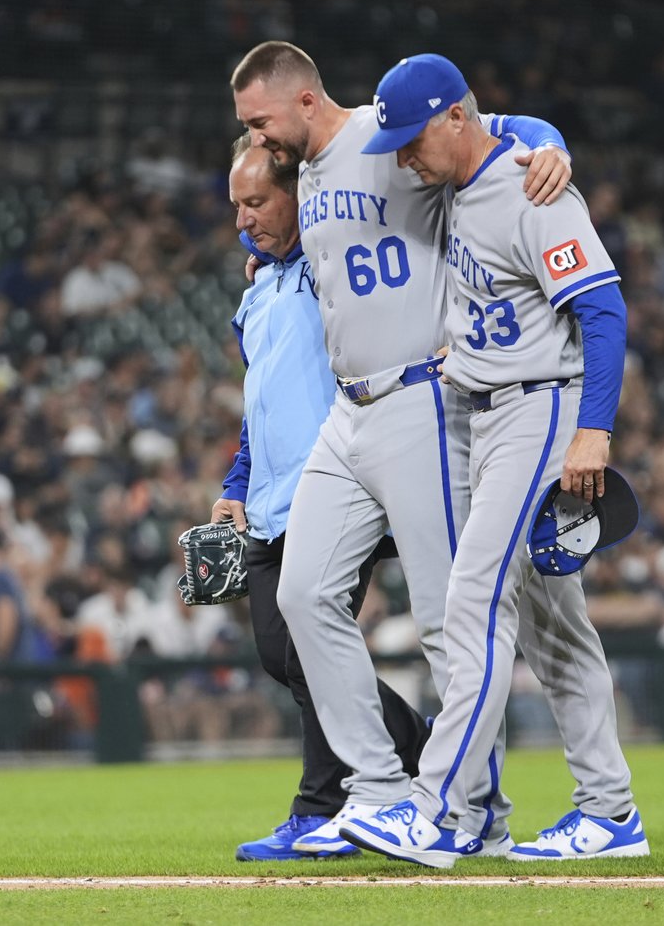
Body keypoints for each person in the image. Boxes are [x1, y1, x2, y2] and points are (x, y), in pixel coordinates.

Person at [231, 41, 572, 855]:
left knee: (444, 621)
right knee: (302, 593)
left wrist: (552, 141)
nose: (255, 135)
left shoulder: (381, 138)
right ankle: (378, 789)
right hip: (348, 415)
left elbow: (491, 123)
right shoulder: (303, 171)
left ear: (306, 101)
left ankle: (473, 809)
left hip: (421, 399)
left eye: (261, 120)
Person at [340, 54, 646, 867]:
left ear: (455, 118)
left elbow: (604, 311)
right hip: (487, 406)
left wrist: (594, 430)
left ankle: (434, 810)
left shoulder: (529, 186)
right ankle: (610, 811)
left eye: (414, 137)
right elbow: (509, 131)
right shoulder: (468, 179)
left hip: (543, 407)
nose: (404, 154)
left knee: (473, 600)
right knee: (555, 628)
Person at [212, 137, 429, 861]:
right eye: (237, 205)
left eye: (257, 202)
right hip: (272, 499)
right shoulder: (255, 293)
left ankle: (322, 806)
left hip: (337, 484)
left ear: (296, 195)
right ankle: (415, 743)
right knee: (281, 652)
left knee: (308, 640)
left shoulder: (333, 266)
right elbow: (258, 405)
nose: (244, 220)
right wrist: (235, 487)